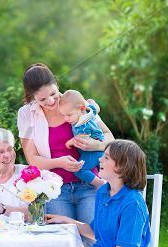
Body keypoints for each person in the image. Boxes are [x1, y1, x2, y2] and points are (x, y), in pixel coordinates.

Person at [46, 140, 151, 247]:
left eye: (107, 158)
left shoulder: (133, 203)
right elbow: (95, 232)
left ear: (122, 167)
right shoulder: (103, 192)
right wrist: (66, 220)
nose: (100, 159)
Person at [17, 63, 114, 224]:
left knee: (93, 237)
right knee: (62, 238)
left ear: (57, 84)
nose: (50, 101)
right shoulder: (26, 114)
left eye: (53, 94)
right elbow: (32, 159)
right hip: (55, 189)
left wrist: (95, 145)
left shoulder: (74, 101)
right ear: (32, 97)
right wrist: (59, 163)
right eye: (42, 99)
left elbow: (109, 136)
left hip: (89, 183)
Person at [59, 89, 106, 189]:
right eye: (63, 115)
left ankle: (100, 184)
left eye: (69, 115)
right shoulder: (88, 114)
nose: (66, 119)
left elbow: (83, 138)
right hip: (95, 150)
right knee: (103, 170)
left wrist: (70, 142)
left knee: (79, 170)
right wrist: (92, 103)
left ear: (81, 109)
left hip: (93, 151)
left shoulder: (82, 123)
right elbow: (96, 108)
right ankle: (105, 183)